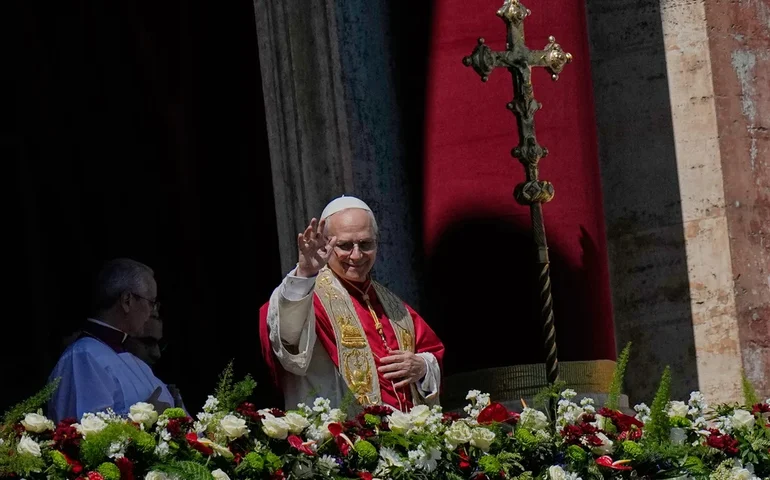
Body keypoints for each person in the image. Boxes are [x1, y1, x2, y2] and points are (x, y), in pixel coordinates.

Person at [259, 196, 445, 411]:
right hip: (339, 431)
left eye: (365, 244)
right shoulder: (305, 294)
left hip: (402, 435)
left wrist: (422, 366)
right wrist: (305, 273)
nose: (356, 255)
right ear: (326, 244)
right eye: (345, 245)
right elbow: (287, 340)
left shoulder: (393, 305)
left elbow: (432, 352)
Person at [48, 258, 174, 422]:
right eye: (151, 302)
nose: (152, 312)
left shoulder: (136, 362)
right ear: (127, 300)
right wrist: (148, 419)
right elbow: (84, 436)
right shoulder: (83, 356)